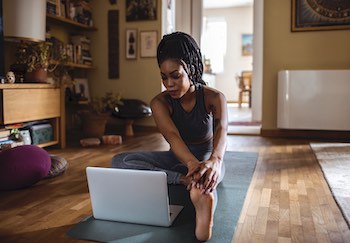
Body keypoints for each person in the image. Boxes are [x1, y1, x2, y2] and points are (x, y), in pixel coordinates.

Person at [112, 31, 228, 241]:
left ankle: (203, 200)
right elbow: (172, 136)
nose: (169, 83)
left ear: (190, 69)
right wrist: (190, 165)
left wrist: (215, 162)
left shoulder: (214, 97)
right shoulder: (160, 103)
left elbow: (222, 130)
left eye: (175, 75)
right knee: (120, 160)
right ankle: (184, 180)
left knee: (206, 179)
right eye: (164, 77)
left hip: (206, 158)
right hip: (177, 159)